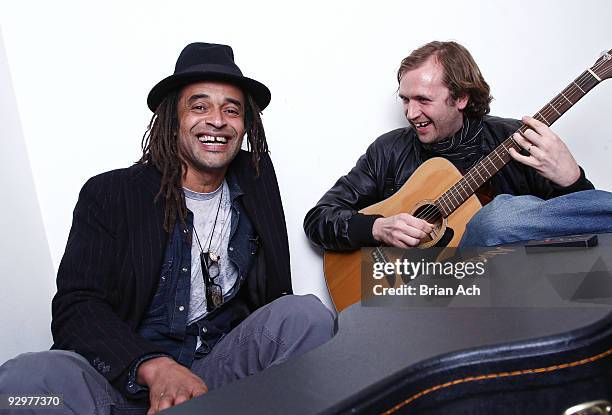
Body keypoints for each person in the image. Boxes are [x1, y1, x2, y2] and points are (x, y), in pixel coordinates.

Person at [0, 42, 335, 415]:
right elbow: (76, 308)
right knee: (21, 381)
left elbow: (275, 294)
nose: (218, 120)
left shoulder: (254, 179)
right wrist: (154, 367)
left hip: (214, 376)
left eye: (231, 110)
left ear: (246, 125)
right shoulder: (112, 193)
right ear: (173, 119)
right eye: (199, 106)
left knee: (306, 315)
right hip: (125, 385)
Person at [304, 40, 612, 251]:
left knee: (496, 218)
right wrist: (377, 228)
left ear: (461, 98)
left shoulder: (515, 140)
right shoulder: (388, 151)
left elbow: (582, 229)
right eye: (405, 100)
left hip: (506, 290)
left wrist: (573, 180)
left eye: (423, 100)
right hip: (419, 295)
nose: (411, 113)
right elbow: (319, 219)